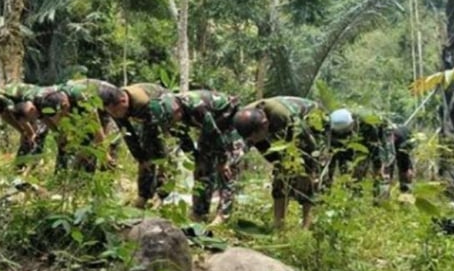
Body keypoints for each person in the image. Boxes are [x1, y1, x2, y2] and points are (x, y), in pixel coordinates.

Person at [147, 90, 245, 226]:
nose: (171, 124)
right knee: (202, 169)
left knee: (228, 168)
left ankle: (223, 214)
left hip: (228, 118)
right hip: (209, 127)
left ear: (176, 111)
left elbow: (214, 134)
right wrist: (196, 159)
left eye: (171, 120)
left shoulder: (196, 107)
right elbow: (183, 139)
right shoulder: (169, 114)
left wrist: (223, 162)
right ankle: (199, 212)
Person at [232, 96, 326, 229]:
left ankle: (307, 225)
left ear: (265, 126)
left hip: (314, 123)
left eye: (255, 137)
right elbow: (264, 149)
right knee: (280, 175)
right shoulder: (243, 119)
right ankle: (278, 224)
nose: (253, 141)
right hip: (278, 126)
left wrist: (307, 172)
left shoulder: (281, 117)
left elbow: (308, 146)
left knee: (307, 180)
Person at [15, 79, 120, 173]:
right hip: (80, 101)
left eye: (63, 113)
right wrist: (62, 137)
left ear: (65, 104)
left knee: (106, 143)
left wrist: (104, 155)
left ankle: (107, 176)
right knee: (79, 144)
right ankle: (77, 180)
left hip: (107, 99)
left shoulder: (80, 96)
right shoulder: (44, 102)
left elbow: (96, 126)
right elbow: (51, 122)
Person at [102, 82, 170, 208]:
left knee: (160, 155)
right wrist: (139, 157)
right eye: (111, 112)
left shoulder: (144, 103)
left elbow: (156, 138)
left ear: (123, 101)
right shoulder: (115, 106)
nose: (114, 115)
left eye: (116, 111)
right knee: (144, 159)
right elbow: (128, 135)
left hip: (165, 109)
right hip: (144, 115)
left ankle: (161, 196)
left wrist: (156, 161)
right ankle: (144, 196)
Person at [0, 83, 58, 170]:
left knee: (37, 136)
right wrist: (22, 131)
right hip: (24, 109)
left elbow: (14, 113)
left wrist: (29, 132)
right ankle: (19, 167)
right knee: (27, 137)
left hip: (34, 103)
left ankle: (34, 167)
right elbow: (5, 116)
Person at [327, 108, 396, 198]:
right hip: (356, 142)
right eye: (339, 132)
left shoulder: (368, 125)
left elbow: (376, 149)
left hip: (381, 135)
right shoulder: (331, 127)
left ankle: (381, 198)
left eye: (344, 131)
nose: (342, 134)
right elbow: (335, 154)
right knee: (348, 171)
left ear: (352, 124)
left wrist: (379, 167)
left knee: (381, 170)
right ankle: (354, 196)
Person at [388, 124, 415, 193]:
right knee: (388, 167)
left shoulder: (402, 141)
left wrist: (408, 168)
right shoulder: (386, 138)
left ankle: (405, 191)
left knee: (404, 170)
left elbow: (406, 157)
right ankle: (386, 190)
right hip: (392, 147)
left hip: (406, 142)